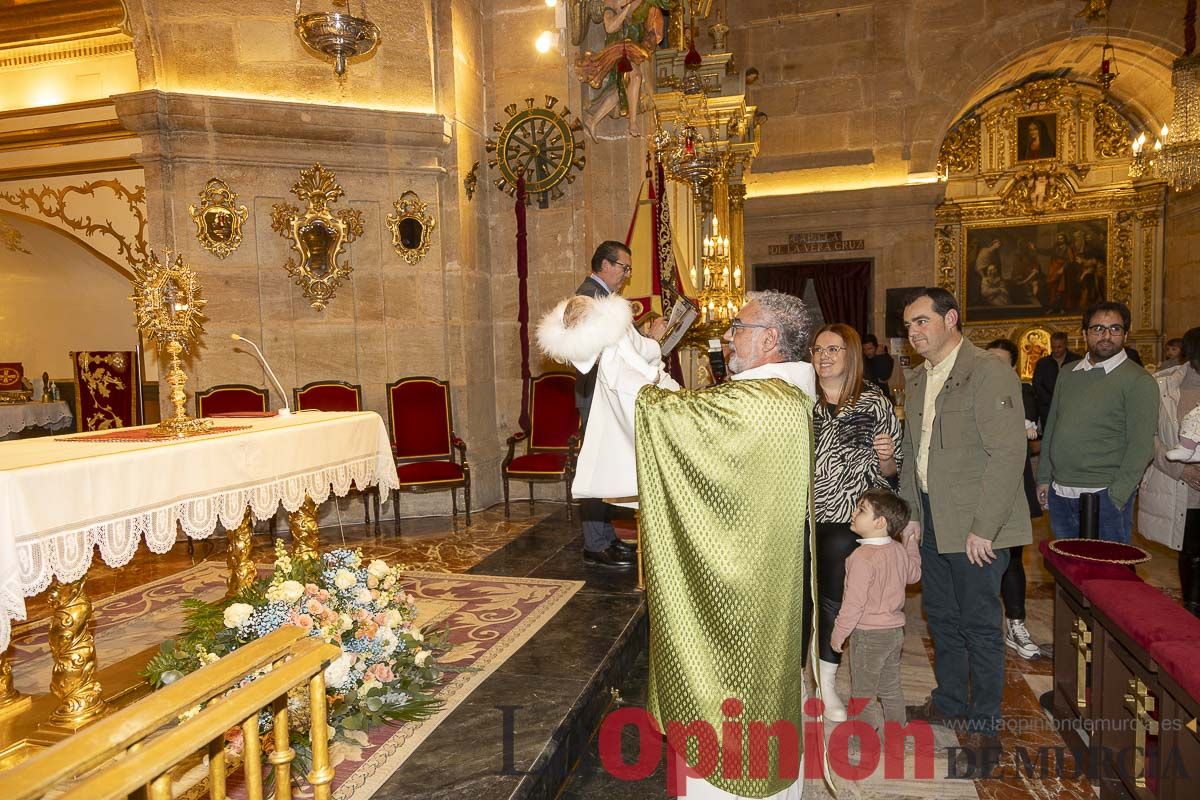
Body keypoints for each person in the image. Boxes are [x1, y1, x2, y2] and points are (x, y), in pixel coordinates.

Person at [898, 288, 1030, 756]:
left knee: (979, 624)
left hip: (976, 525)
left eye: (921, 321)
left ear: (951, 318)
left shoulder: (988, 372)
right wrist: (912, 517)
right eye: (909, 324)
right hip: (933, 519)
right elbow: (914, 454)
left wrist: (985, 528)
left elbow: (1009, 454)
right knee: (943, 617)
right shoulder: (917, 379)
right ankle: (951, 700)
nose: (913, 332)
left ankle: (985, 721)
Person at [811, 324, 902, 721]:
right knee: (796, 599)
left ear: (851, 355)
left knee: (834, 598)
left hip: (847, 517)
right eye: (817, 350)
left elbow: (891, 474)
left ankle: (828, 683)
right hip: (798, 512)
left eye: (833, 349)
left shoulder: (873, 402)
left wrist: (884, 456)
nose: (823, 356)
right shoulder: (801, 402)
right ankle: (801, 678)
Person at [1037, 301, 1160, 544]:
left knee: (1106, 577)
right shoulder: (1068, 373)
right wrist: (1043, 477)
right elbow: (1052, 427)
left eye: (1115, 329)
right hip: (1061, 493)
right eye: (1098, 329)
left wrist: (1118, 495)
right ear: (1084, 334)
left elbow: (1141, 445)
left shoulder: (1139, 381)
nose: (1106, 336)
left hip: (1105, 495)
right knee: (1068, 574)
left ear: (1126, 333)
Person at [572, 240, 660, 567]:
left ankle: (605, 538)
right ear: (605, 265)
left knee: (607, 467)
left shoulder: (602, 298)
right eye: (623, 267)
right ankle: (595, 545)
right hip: (597, 396)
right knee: (597, 467)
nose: (626, 274)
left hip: (605, 395)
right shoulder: (588, 299)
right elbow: (585, 353)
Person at [830, 489, 920, 738]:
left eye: (861, 510)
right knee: (891, 687)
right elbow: (914, 574)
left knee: (863, 692)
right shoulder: (898, 551)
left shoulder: (861, 557)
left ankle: (864, 740)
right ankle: (896, 734)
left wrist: (839, 633)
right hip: (894, 634)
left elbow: (853, 603)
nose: (853, 513)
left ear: (880, 522)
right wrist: (911, 544)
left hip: (869, 636)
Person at [986, 339, 1046, 661]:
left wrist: (1024, 426)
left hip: (1011, 486)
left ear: (1012, 368)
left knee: (1011, 557)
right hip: (975, 487)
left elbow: (1033, 438)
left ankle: (1016, 624)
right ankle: (980, 629)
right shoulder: (970, 390)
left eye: (1000, 363)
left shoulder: (1022, 393)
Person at [1139, 327, 1200, 618]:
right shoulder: (1163, 384)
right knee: (1191, 554)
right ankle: (1192, 613)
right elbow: (1146, 434)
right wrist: (1181, 470)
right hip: (1184, 491)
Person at [1032, 331, 1082, 431]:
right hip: (1048, 409)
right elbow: (1037, 385)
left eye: (1059, 347)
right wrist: (1052, 401)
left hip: (1072, 408)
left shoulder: (1077, 361)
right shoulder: (1043, 363)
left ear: (1066, 345)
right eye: (1053, 347)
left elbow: (1081, 383)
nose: (1056, 350)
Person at [861, 333, 895, 401]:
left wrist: (879, 357)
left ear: (876, 347)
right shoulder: (863, 359)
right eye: (864, 349)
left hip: (881, 398)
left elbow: (883, 378)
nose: (867, 352)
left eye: (870, 349)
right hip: (867, 399)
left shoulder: (885, 358)